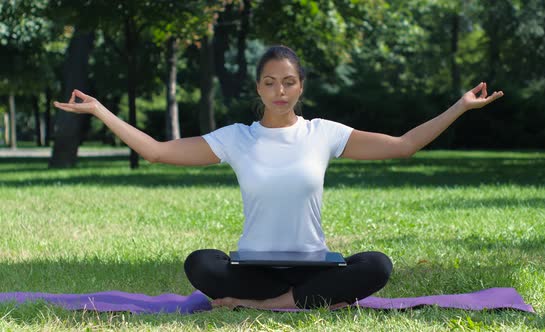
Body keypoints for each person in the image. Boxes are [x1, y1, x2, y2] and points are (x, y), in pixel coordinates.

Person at [54, 45, 504, 310]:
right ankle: (298, 301)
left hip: (312, 262)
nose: (279, 92)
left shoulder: (324, 134)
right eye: (270, 83)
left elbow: (404, 144)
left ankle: (261, 306)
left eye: (288, 82)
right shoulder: (236, 138)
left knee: (377, 266)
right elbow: (155, 152)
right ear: (258, 88)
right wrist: (99, 110)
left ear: (300, 86)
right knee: (201, 264)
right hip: (256, 267)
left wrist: (461, 106)